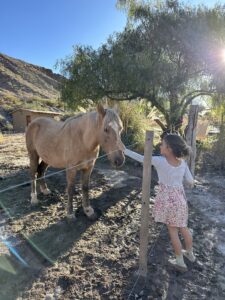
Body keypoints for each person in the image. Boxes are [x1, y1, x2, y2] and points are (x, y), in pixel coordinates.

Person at [124, 134, 195, 272]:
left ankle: (180, 261)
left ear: (169, 148)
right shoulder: (183, 163)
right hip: (180, 200)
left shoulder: (159, 161)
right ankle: (190, 254)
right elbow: (191, 181)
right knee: (183, 227)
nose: (160, 146)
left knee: (173, 231)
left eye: (162, 144)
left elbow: (142, 158)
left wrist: (125, 150)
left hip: (168, 201)